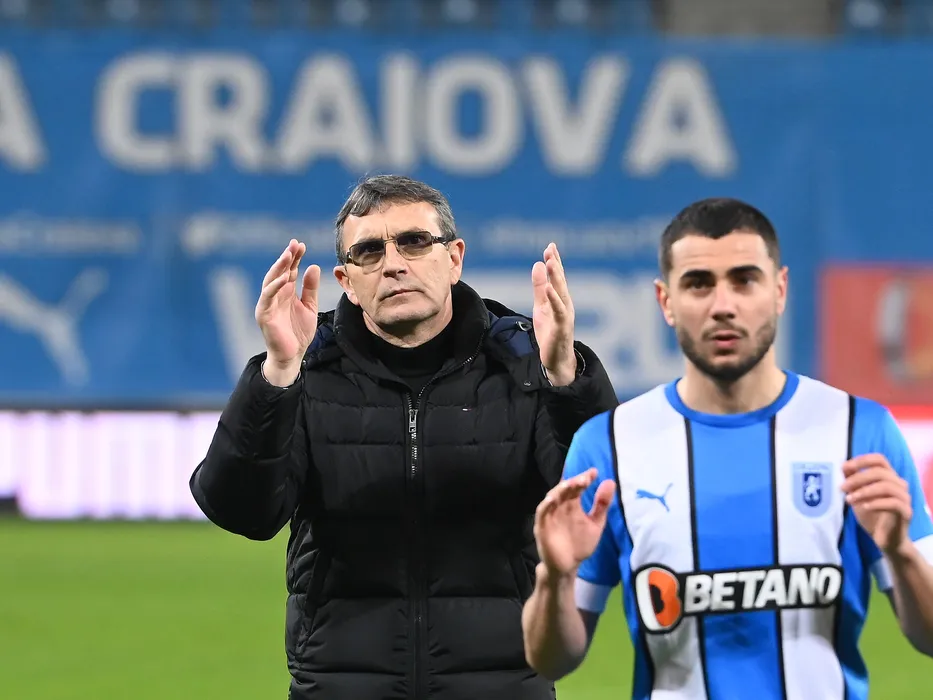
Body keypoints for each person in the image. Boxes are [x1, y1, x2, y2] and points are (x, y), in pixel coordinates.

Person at [189, 174, 618, 700]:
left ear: (454, 259)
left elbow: (603, 500)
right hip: (341, 685)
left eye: (414, 242)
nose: (393, 264)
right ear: (347, 281)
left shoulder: (525, 363)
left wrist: (565, 379)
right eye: (369, 251)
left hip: (504, 684)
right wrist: (277, 372)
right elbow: (244, 513)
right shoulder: (306, 368)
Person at [521, 197, 933, 699]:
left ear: (779, 290)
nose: (723, 305)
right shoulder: (609, 446)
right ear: (665, 301)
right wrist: (556, 577)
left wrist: (901, 553)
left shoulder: (859, 432)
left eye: (744, 280)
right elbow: (552, 660)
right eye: (699, 283)